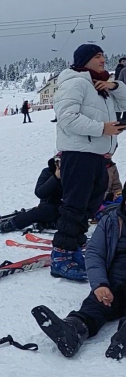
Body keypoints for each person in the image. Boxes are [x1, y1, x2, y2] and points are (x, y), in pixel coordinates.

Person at [51, 44, 126, 281]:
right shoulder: (76, 83)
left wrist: (114, 86)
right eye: (97, 56)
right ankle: (61, 257)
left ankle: (74, 248)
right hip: (78, 155)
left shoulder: (101, 86)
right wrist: (102, 128)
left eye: (103, 55)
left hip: (98, 156)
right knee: (75, 206)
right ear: (84, 60)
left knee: (89, 207)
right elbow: (66, 118)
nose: (103, 60)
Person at [31, 200, 126, 360]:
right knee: (95, 305)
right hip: (114, 282)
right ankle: (73, 331)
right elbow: (94, 253)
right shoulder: (111, 221)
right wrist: (100, 284)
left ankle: (122, 339)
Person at [0, 153, 63, 233]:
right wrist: (55, 178)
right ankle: (14, 223)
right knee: (40, 212)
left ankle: (49, 224)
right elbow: (40, 193)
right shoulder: (48, 172)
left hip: (68, 208)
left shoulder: (74, 174)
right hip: (50, 205)